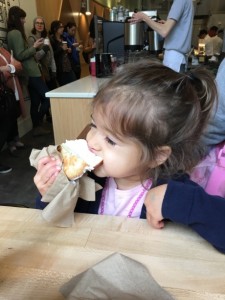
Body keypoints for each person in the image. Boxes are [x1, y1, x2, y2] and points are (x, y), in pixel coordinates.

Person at [33, 60, 222, 253]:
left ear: (157, 156)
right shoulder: (85, 181)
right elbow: (55, 230)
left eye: (111, 141)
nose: (92, 142)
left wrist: (182, 202)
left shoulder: (174, 192)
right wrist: (51, 194)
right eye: (94, 126)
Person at [7, 6, 51, 137]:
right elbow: (20, 55)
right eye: (22, 18)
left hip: (30, 72)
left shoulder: (13, 33)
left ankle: (37, 127)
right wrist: (34, 47)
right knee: (48, 97)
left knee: (35, 101)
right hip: (30, 71)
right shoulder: (15, 33)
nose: (24, 21)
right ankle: (37, 123)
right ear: (16, 18)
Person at [129, 0, 194, 73]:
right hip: (178, 59)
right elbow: (182, 26)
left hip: (174, 59)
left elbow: (164, 31)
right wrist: (166, 24)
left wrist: (144, 17)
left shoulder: (179, 1)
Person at [0, 46, 26, 156]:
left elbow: (19, 65)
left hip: (13, 87)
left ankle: (16, 139)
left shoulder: (3, 49)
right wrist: (11, 69)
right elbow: (3, 74)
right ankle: (11, 143)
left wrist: (8, 68)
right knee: (8, 116)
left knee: (14, 112)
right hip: (5, 89)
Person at [28, 16, 57, 91]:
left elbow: (52, 55)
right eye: (37, 23)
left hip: (50, 71)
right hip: (40, 73)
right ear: (34, 25)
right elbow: (34, 58)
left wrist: (54, 69)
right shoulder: (31, 39)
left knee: (53, 94)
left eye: (41, 23)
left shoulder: (46, 38)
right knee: (46, 97)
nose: (40, 25)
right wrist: (43, 50)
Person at [49, 20, 76, 86]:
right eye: (60, 27)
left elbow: (65, 50)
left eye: (63, 27)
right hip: (60, 69)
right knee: (64, 88)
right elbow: (52, 55)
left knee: (74, 84)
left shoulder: (63, 38)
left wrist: (68, 50)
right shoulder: (52, 40)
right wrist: (61, 49)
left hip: (68, 66)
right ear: (55, 28)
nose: (63, 28)